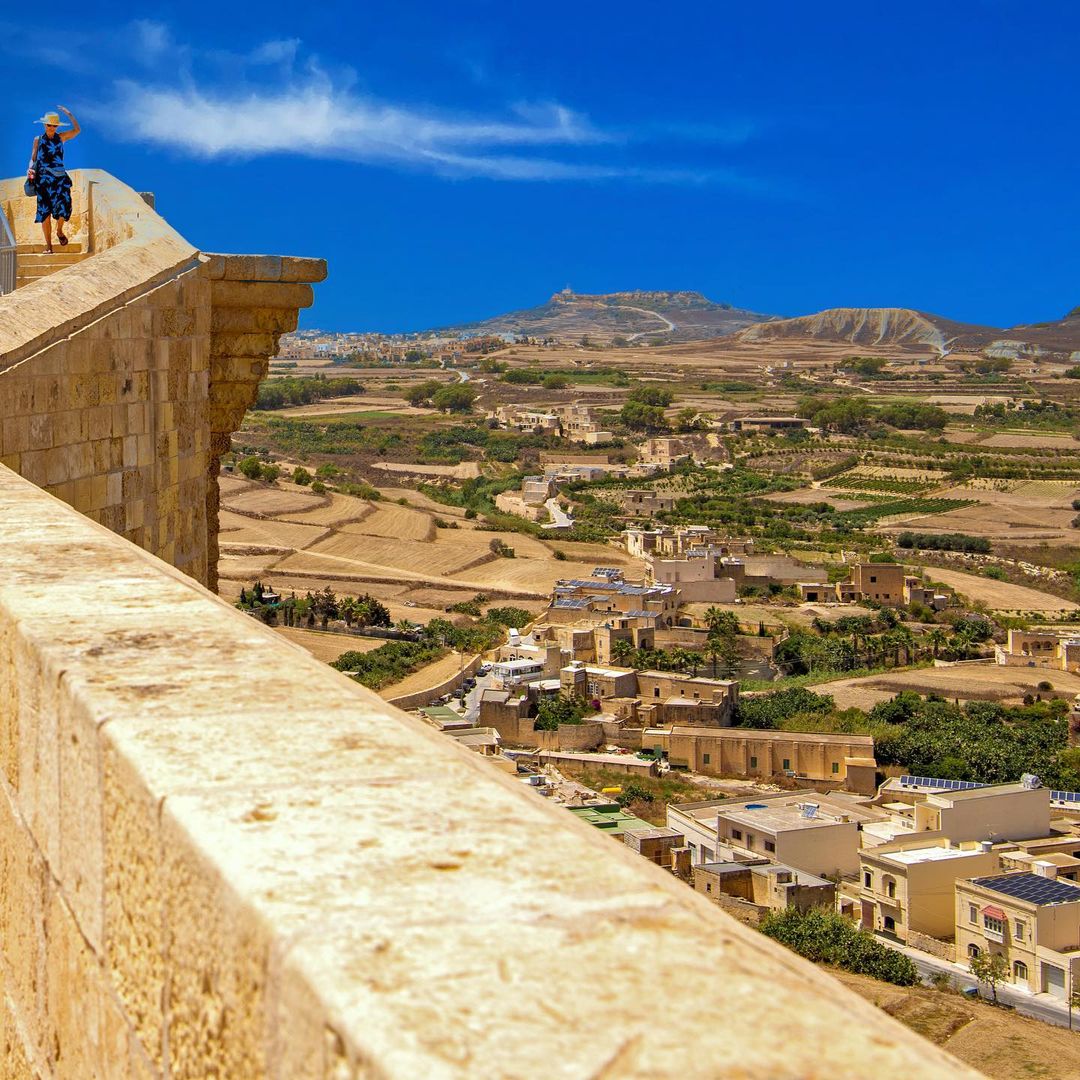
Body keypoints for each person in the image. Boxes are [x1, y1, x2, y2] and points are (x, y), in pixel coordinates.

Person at [26, 107, 80, 254]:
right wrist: (30, 169)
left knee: (64, 206)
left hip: (60, 179)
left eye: (54, 125)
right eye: (49, 125)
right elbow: (33, 158)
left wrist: (69, 114)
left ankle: (60, 231)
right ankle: (49, 246)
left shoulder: (61, 138)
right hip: (43, 180)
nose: (51, 128)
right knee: (45, 213)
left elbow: (77, 130)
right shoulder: (38, 139)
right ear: (44, 125)